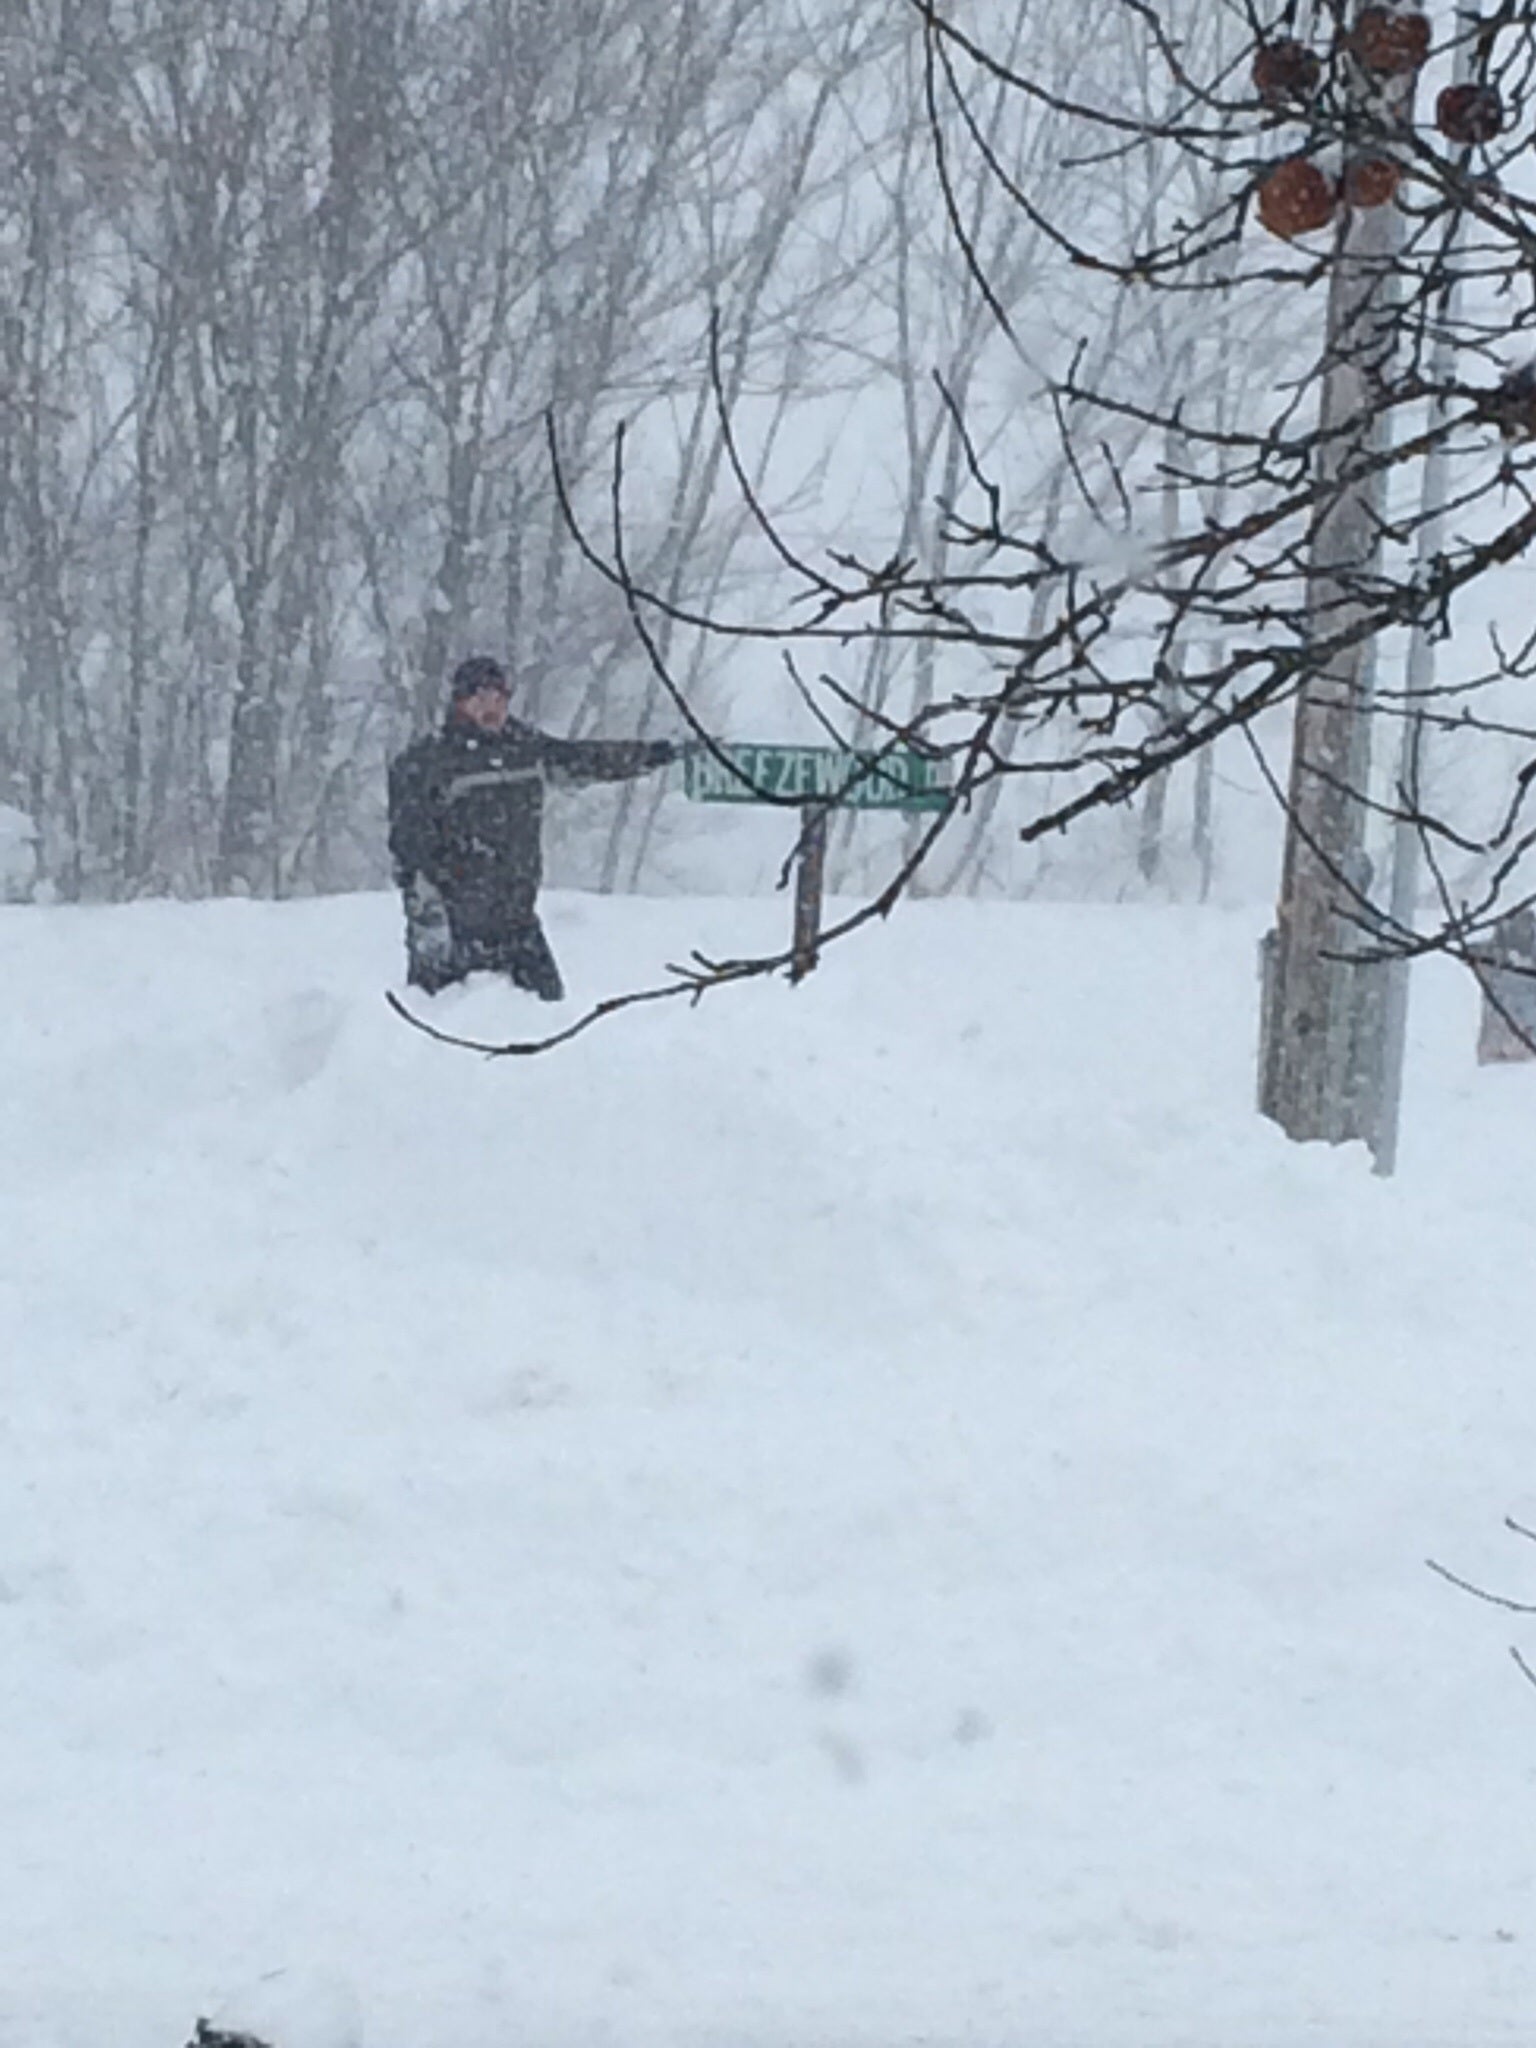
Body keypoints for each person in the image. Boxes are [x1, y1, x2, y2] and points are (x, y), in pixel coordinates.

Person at [387, 655, 681, 1000]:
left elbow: (585, 759)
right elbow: (410, 852)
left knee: (547, 1020)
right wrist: (430, 926)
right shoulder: (426, 763)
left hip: (517, 923)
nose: (492, 709)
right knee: (445, 1028)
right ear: (460, 702)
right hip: (454, 926)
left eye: (499, 699)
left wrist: (654, 755)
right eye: (481, 699)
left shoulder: (523, 748)